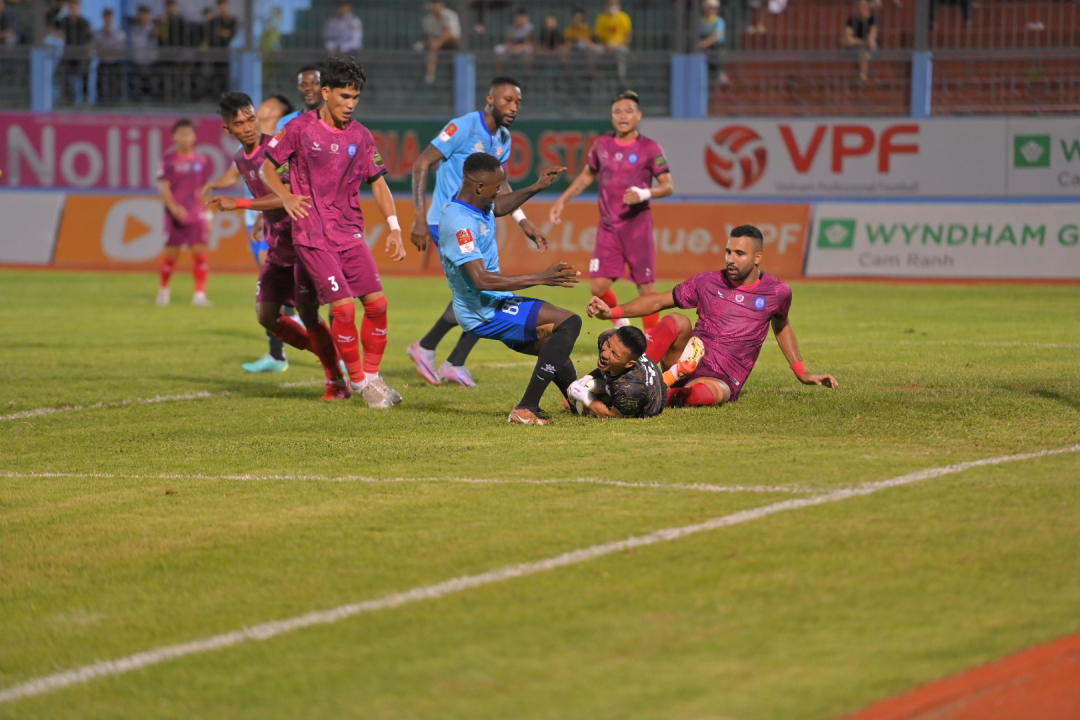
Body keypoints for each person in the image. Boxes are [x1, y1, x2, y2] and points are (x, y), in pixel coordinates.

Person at [262, 55, 408, 409]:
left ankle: (372, 375)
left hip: (350, 233)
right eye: (344, 97)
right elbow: (268, 167)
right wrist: (285, 196)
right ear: (325, 93)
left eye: (355, 98)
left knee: (378, 304)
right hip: (312, 236)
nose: (350, 105)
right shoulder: (299, 128)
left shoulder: (361, 135)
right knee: (342, 310)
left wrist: (394, 228)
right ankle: (358, 383)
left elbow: (380, 184)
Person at [587, 224, 839, 408]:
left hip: (721, 378)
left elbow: (782, 326)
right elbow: (659, 300)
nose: (731, 259)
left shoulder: (777, 292)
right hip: (685, 359)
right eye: (729, 252)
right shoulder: (708, 281)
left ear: (757, 258)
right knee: (678, 320)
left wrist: (801, 371)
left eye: (739, 254)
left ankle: (642, 395)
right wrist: (613, 311)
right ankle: (632, 377)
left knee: (713, 394)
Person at [206, 92, 349, 400]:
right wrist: (261, 217)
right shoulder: (239, 158)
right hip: (278, 244)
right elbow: (269, 196)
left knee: (308, 313)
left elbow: (288, 196)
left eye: (251, 119)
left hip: (304, 241)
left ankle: (336, 378)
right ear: (227, 130)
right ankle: (330, 354)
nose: (248, 127)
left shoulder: (276, 149)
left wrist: (240, 203)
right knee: (267, 316)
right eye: (239, 123)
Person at [408, 77, 548, 388]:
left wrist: (523, 222)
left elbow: (501, 184)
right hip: (451, 220)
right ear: (490, 99)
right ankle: (434, 352)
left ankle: (444, 356)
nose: (513, 107)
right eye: (507, 100)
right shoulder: (463, 126)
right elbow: (421, 163)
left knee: (478, 291)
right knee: (482, 290)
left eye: (518, 102)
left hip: (482, 221)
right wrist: (418, 217)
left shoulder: (505, 139)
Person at [438, 153, 578, 425]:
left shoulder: (475, 203)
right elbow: (481, 280)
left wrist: (536, 187)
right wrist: (542, 276)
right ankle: (525, 408)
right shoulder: (460, 225)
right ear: (480, 187)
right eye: (496, 187)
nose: (500, 191)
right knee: (570, 323)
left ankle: (578, 400)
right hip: (484, 310)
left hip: (493, 302)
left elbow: (498, 206)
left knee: (553, 346)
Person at [550, 90, 673, 334]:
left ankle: (651, 340)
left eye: (628, 111)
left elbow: (668, 185)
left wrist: (644, 193)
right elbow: (587, 175)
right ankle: (619, 321)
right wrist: (563, 200)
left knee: (647, 288)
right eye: (617, 111)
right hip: (608, 228)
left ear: (638, 116)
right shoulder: (602, 145)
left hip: (637, 227)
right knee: (597, 286)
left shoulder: (650, 148)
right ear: (611, 116)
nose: (622, 116)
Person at [157, 119, 213, 307]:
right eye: (180, 134)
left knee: (199, 254)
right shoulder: (168, 160)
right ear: (174, 137)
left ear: (194, 137)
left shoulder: (202, 160)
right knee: (171, 254)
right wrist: (173, 207)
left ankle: (199, 295)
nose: (184, 137)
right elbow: (164, 187)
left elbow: (205, 189)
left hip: (196, 212)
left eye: (188, 134)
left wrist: (209, 213)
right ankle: (164, 290)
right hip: (175, 213)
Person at [566, 326, 665, 419]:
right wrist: (588, 377)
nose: (605, 354)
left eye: (615, 354)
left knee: (582, 405)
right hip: (622, 376)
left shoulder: (631, 389)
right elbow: (608, 334)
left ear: (629, 364)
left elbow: (613, 417)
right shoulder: (606, 338)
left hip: (651, 400)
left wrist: (585, 397)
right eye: (608, 345)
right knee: (567, 403)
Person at [55, 0, 92, 104]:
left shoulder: (85, 22)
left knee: (85, 73)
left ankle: (85, 100)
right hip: (68, 55)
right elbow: (52, 27)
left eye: (75, 6)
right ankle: (67, 98)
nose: (73, 9)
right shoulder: (64, 21)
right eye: (71, 6)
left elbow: (90, 40)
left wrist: (86, 53)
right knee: (61, 72)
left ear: (79, 7)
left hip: (81, 55)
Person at [420, 0, 460, 85]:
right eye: (433, 5)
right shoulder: (428, 19)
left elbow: (449, 33)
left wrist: (438, 42)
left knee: (435, 44)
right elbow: (430, 36)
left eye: (436, 4)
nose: (435, 7)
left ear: (441, 5)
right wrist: (435, 43)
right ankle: (429, 75)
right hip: (437, 44)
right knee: (432, 49)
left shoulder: (450, 15)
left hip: (452, 42)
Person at [593, 0, 631, 83]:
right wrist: (605, 45)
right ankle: (596, 76)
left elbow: (628, 37)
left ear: (618, 4)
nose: (612, 5)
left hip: (619, 45)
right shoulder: (601, 17)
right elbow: (597, 36)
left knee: (621, 51)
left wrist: (617, 45)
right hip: (605, 45)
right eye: (610, 3)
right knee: (595, 49)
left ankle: (621, 77)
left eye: (614, 3)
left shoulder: (624, 17)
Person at [93, 8, 126, 104]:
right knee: (102, 88)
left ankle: (117, 106)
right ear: (103, 18)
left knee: (116, 87)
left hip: (116, 63)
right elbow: (97, 50)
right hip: (103, 63)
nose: (108, 19)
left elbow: (120, 51)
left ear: (113, 18)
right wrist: (108, 52)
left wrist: (108, 52)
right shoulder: (98, 34)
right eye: (106, 17)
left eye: (110, 17)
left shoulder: (120, 34)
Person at [844, 0, 878, 83]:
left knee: (863, 52)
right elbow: (848, 39)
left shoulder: (873, 19)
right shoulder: (851, 21)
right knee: (861, 50)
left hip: (871, 48)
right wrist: (863, 42)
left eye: (864, 6)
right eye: (860, 6)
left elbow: (871, 40)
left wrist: (856, 41)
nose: (862, 8)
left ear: (868, 7)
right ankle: (861, 75)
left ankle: (862, 76)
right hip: (855, 48)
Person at [698, 0, 729, 90]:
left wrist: (703, 44)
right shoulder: (700, 21)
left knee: (718, 53)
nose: (712, 10)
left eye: (714, 8)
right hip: (704, 49)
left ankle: (720, 76)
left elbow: (715, 38)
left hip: (715, 48)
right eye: (710, 7)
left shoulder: (719, 21)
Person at [130, 5, 158, 100]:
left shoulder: (155, 29)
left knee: (151, 90)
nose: (142, 18)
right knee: (137, 91)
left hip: (151, 64)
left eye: (144, 15)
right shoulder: (134, 30)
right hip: (138, 64)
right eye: (140, 15)